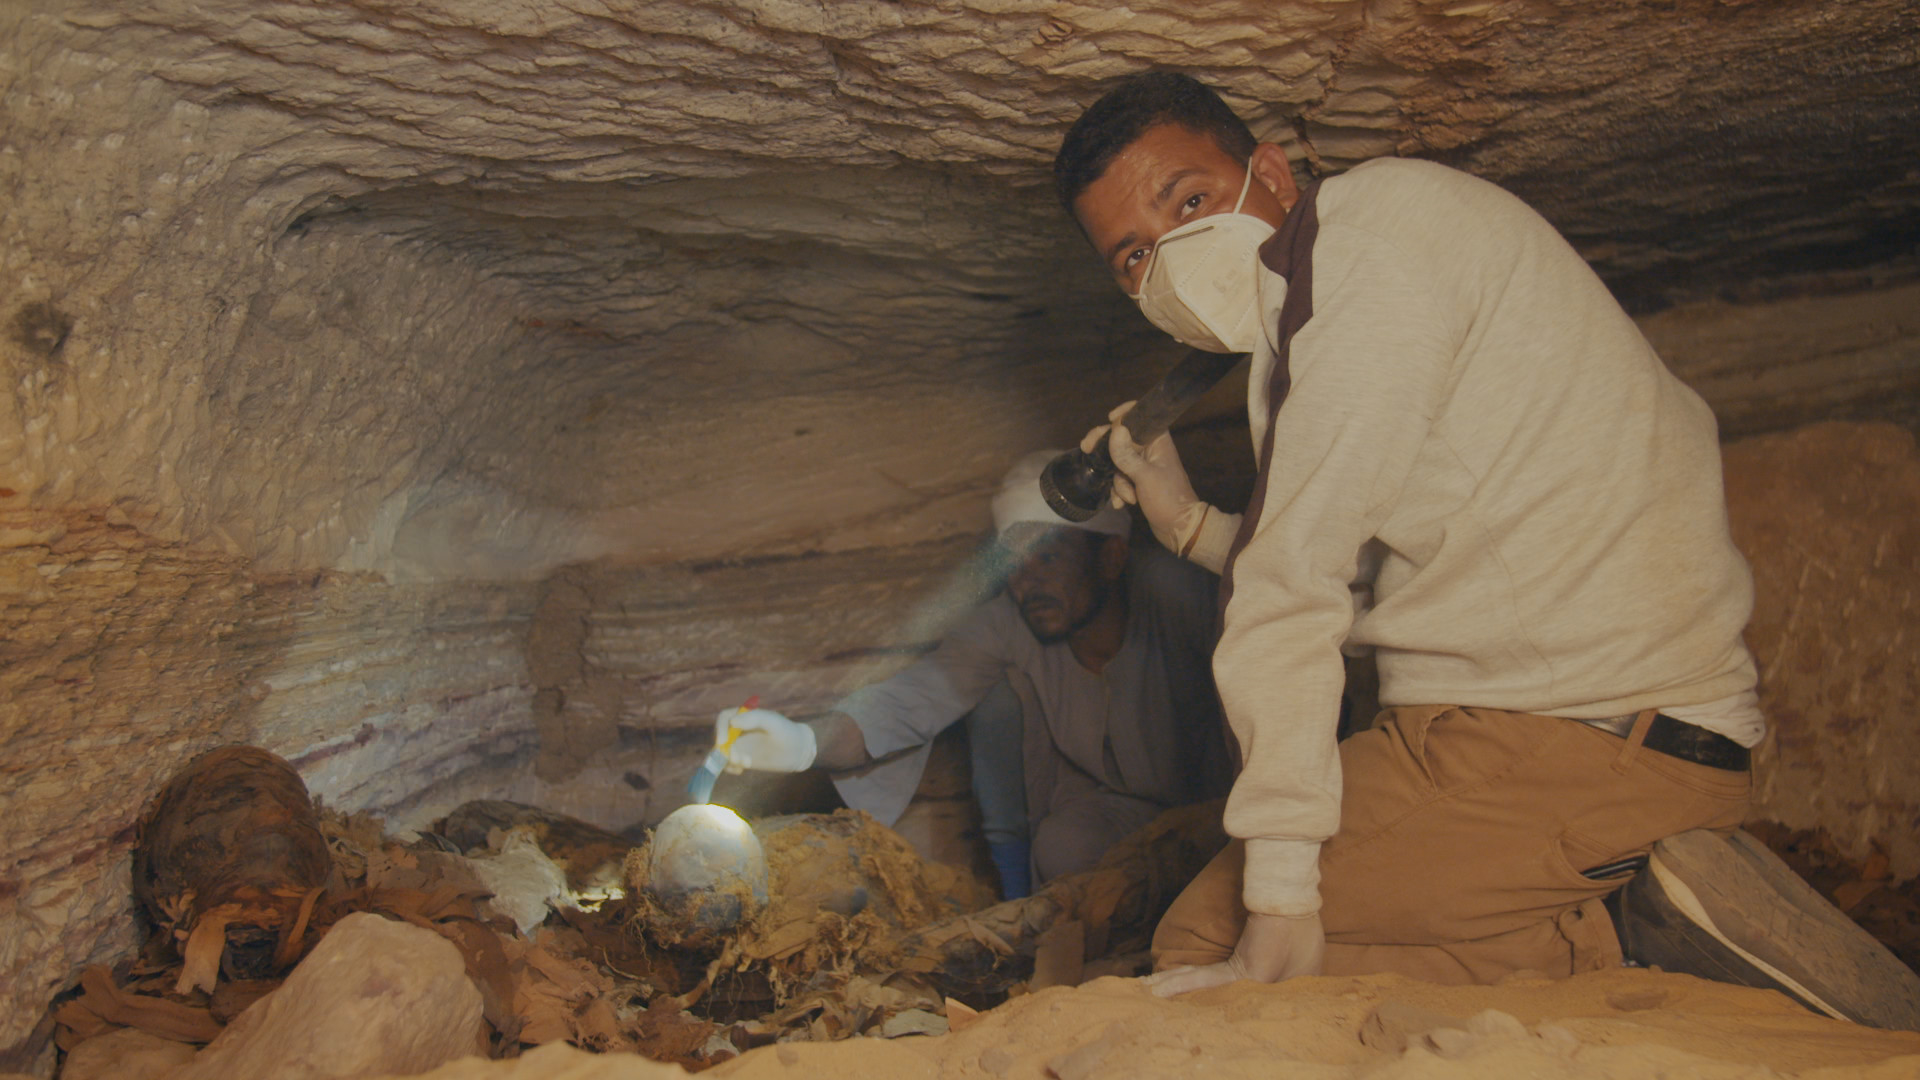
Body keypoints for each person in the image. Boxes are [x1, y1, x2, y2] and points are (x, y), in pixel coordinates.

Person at [1046, 71, 1893, 1019]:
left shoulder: (1362, 269)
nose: (1169, 258)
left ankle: (1613, 937)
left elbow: (1291, 593)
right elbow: (1384, 587)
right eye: (1133, 257)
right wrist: (1189, 524)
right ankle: (1609, 916)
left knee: (1212, 949)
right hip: (1590, 727)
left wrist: (1280, 899)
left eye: (1189, 202)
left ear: (1273, 176)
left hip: (1575, 738)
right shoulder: (1364, 259)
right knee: (1302, 929)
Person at [719, 450, 1232, 898]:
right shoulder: (1012, 621)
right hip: (1119, 813)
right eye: (1014, 563)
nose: (1028, 580)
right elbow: (909, 700)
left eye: (1048, 555)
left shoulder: (1176, 594)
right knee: (1062, 846)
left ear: (1112, 558)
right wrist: (803, 742)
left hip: (1222, 806)